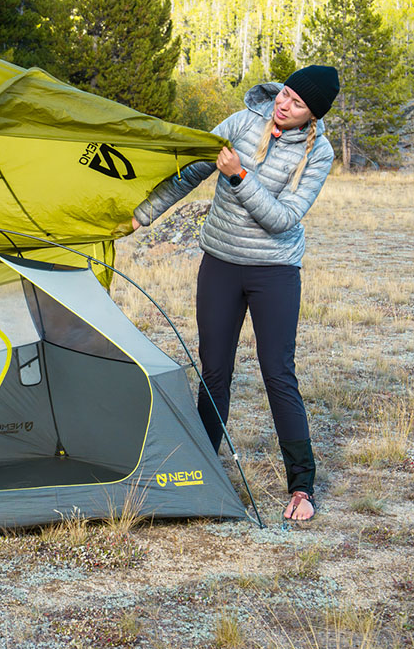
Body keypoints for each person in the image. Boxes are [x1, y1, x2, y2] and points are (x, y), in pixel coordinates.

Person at [131, 65, 340, 523]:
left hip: (274, 271)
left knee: (277, 373)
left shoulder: (318, 153)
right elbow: (189, 174)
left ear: (313, 115)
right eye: (284, 94)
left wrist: (240, 176)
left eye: (297, 104)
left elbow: (283, 219)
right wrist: (141, 216)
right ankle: (200, 468)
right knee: (215, 370)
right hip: (221, 263)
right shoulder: (241, 122)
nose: (284, 105)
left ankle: (302, 487)